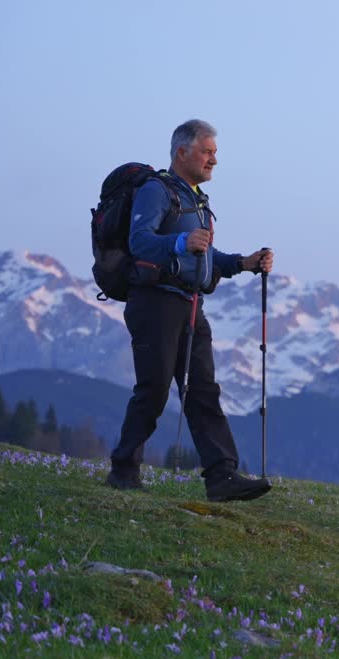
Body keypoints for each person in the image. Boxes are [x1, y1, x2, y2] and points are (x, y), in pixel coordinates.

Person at [107, 119, 274, 502]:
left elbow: (205, 253)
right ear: (182, 152)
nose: (214, 159)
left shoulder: (196, 199)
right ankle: (123, 469)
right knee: (153, 390)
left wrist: (244, 263)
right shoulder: (157, 190)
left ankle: (222, 476)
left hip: (189, 302)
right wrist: (182, 241)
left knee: (203, 390)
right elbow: (140, 242)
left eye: (214, 152)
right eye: (207, 151)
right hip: (155, 302)